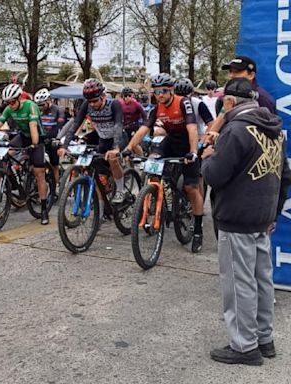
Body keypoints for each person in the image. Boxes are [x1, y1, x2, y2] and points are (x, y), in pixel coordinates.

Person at [202, 77, 291, 365]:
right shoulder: (276, 130)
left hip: (237, 215)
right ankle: (264, 338)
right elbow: (285, 175)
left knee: (238, 282)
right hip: (263, 215)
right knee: (261, 279)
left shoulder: (236, 130)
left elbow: (215, 176)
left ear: (228, 102)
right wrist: (274, 213)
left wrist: (207, 156)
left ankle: (244, 345)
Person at [122, 73, 204, 253]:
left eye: (164, 91)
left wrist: (193, 151)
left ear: (171, 90)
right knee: (153, 162)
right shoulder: (156, 108)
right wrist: (129, 147)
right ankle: (154, 195)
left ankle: (198, 229)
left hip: (186, 144)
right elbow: (144, 129)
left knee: (191, 188)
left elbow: (192, 128)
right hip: (170, 142)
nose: (160, 95)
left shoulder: (184, 103)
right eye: (157, 91)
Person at [0, 83, 50, 225]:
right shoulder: (8, 109)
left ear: (19, 98)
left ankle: (43, 209)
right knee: (4, 155)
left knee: (38, 173)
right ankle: (13, 183)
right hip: (23, 136)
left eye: (12, 102)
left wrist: (34, 144)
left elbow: (33, 126)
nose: (10, 105)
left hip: (37, 138)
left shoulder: (30, 106)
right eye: (7, 102)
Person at [57, 78, 127, 205]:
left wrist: (116, 148)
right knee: (97, 173)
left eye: (95, 100)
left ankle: (121, 190)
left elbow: (118, 125)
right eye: (90, 101)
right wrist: (64, 146)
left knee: (113, 160)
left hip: (118, 137)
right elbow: (75, 124)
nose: (92, 104)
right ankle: (101, 206)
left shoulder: (114, 104)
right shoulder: (87, 105)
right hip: (103, 140)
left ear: (103, 96)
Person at [204, 55, 276, 145]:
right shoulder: (224, 97)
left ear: (251, 75)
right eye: (230, 71)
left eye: (237, 72)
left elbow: (269, 134)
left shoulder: (263, 99)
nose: (231, 75)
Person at [34, 88, 65, 182]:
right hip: (41, 138)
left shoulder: (58, 110)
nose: (41, 107)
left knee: (54, 165)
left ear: (49, 100)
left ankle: (56, 186)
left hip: (53, 139)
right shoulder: (37, 110)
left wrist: (54, 138)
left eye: (43, 105)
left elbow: (60, 126)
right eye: (38, 105)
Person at [119, 86, 147, 155]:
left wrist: (144, 126)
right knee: (124, 145)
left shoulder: (136, 104)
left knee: (134, 144)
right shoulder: (120, 104)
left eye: (129, 95)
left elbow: (144, 116)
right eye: (125, 95)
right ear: (122, 96)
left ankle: (141, 158)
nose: (127, 97)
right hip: (124, 127)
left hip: (135, 126)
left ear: (132, 96)